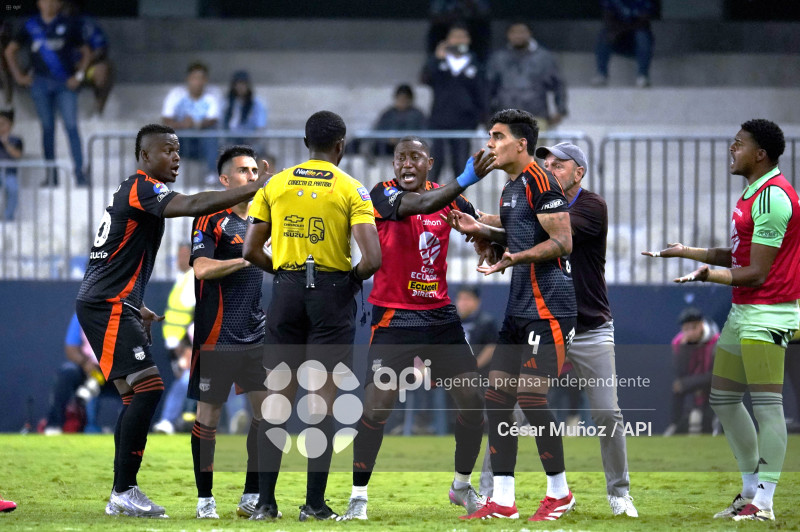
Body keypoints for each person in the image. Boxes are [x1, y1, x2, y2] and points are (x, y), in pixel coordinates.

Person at [75, 123, 270, 518]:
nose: (176, 157)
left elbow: (114, 255)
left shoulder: (138, 192)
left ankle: (123, 493)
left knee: (136, 395)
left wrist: (136, 303)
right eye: (168, 150)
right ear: (145, 156)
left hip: (115, 301)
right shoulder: (142, 186)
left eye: (178, 150)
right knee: (150, 388)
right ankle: (124, 490)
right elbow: (196, 204)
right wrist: (255, 187)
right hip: (108, 302)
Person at [643, 119, 800, 521]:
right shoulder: (752, 194)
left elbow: (758, 272)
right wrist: (687, 252)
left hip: (769, 311)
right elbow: (739, 255)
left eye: (739, 144)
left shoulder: (772, 199)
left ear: (760, 154)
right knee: (724, 400)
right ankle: (749, 490)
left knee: (767, 406)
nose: (732, 149)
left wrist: (709, 276)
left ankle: (763, 503)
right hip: (745, 309)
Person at [338, 137, 495, 520]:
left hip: (440, 317)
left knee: (473, 402)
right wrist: (466, 178)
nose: (406, 164)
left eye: (414, 158)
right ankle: (358, 497)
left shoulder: (448, 199)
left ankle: (461, 486)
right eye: (400, 158)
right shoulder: (381, 194)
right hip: (395, 318)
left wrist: (485, 241)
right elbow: (424, 204)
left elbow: (476, 225)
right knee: (378, 405)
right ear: (393, 165)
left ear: (429, 163)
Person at [243, 110, 382, 521]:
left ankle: (265, 504)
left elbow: (250, 250)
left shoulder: (275, 184)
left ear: (306, 142)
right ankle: (314, 505)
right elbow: (373, 258)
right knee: (321, 401)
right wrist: (349, 282)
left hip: (285, 293)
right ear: (340, 145)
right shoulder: (351, 188)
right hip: (331, 295)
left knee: (277, 400)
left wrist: (284, 275)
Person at [444, 109, 577, 521]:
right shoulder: (510, 188)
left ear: (521, 144)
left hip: (550, 309)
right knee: (497, 399)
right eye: (489, 135)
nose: (490, 144)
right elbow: (517, 229)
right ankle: (503, 500)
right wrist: (480, 225)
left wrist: (514, 256)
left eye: (498, 137)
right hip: (519, 309)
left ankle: (561, 492)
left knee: (531, 397)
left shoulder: (543, 181)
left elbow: (563, 241)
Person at [535, 141, 637, 516]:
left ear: (580, 172)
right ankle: (493, 492)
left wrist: (492, 223)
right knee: (511, 408)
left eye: (558, 165)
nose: (550, 169)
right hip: (550, 326)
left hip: (591, 327)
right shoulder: (542, 202)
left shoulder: (591, 206)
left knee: (608, 413)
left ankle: (619, 493)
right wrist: (480, 222)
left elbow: (545, 231)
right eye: (546, 164)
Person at [189, 145, 269, 519]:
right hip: (217, 337)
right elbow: (202, 268)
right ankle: (205, 500)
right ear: (225, 180)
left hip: (256, 335)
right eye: (243, 171)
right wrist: (248, 255)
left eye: (255, 171)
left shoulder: (266, 218)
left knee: (268, 414)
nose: (252, 177)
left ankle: (251, 496)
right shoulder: (211, 219)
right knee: (209, 417)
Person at [4, 0, 89, 186]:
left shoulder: (68, 24)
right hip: (40, 84)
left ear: (59, 4)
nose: (49, 4)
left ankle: (80, 175)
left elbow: (86, 51)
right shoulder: (30, 25)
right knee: (47, 129)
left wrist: (80, 76)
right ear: (38, 3)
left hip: (65, 83)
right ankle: (52, 177)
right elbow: (10, 50)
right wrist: (19, 76)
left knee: (72, 127)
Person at [421, 24, 486, 183]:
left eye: (462, 37)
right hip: (439, 121)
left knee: (460, 164)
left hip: (465, 123)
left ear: (468, 40)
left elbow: (482, 93)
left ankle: (460, 202)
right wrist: (436, 58)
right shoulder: (438, 62)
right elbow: (425, 79)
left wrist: (481, 118)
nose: (458, 40)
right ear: (448, 40)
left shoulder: (476, 65)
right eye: (455, 36)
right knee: (436, 163)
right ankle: (430, 202)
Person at [40, 313, 114, 434]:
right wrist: (85, 363)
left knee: (138, 376)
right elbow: (71, 349)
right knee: (67, 372)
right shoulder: (82, 313)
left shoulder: (126, 313)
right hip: (90, 370)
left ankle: (130, 429)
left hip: (117, 370)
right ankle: (54, 424)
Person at [487, 22, 567, 130]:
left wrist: (560, 109)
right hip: (505, 117)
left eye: (522, 32)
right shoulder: (498, 58)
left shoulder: (544, 58)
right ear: (508, 35)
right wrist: (486, 114)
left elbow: (558, 84)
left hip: (536, 116)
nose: (518, 35)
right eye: (514, 32)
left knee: (533, 147)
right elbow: (488, 88)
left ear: (529, 33)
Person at [152, 244, 195, 435]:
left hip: (187, 346)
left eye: (183, 255)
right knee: (186, 381)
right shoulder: (182, 279)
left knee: (187, 381)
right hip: (176, 346)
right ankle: (181, 420)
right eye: (178, 255)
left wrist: (185, 346)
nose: (179, 260)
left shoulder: (194, 279)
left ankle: (170, 421)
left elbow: (196, 315)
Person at [162, 62, 221, 185]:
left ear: (206, 80)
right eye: (194, 78)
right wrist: (184, 125)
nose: (197, 82)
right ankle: (163, 178)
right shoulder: (176, 94)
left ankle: (212, 174)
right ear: (188, 79)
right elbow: (166, 121)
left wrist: (195, 123)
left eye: (201, 79)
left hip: (201, 143)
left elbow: (213, 120)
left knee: (211, 135)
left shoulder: (212, 96)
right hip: (181, 141)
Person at [665, 307, 720, 436]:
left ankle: (717, 425)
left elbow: (716, 374)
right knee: (678, 387)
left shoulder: (717, 341)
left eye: (693, 328)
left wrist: (694, 383)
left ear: (701, 325)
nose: (689, 332)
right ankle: (675, 425)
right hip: (693, 381)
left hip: (714, 382)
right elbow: (680, 372)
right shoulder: (678, 342)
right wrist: (684, 349)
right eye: (686, 329)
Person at [63, 0, 113, 116]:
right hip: (60, 70)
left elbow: (100, 49)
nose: (66, 8)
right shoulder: (50, 23)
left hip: (83, 69)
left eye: (69, 5)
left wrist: (82, 65)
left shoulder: (86, 23)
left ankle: (97, 113)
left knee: (103, 70)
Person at [592, 0, 656, 88]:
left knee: (642, 35)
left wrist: (621, 30)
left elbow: (644, 22)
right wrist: (617, 31)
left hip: (636, 42)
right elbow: (607, 18)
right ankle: (601, 75)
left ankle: (642, 76)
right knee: (605, 34)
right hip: (618, 41)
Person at [427, 0, 491, 63]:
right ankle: (438, 60)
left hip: (473, 24)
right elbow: (434, 12)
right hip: (446, 24)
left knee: (481, 29)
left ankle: (479, 62)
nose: (459, 38)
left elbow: (485, 11)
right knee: (437, 30)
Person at [372, 84, 426, 156]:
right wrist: (388, 139)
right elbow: (377, 131)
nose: (402, 102)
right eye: (400, 99)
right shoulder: (388, 114)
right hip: (388, 148)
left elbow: (425, 133)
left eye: (405, 99)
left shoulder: (418, 115)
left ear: (410, 99)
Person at [222, 70, 267, 147]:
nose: (240, 87)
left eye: (243, 84)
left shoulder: (257, 103)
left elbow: (260, 127)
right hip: (231, 142)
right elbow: (223, 124)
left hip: (250, 143)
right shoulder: (227, 103)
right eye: (237, 84)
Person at [0, 109, 22, 221]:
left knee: (13, 189)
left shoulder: (16, 140)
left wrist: (6, 143)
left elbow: (17, 154)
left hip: (9, 173)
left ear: (10, 125)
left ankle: (8, 217)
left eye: (3, 124)